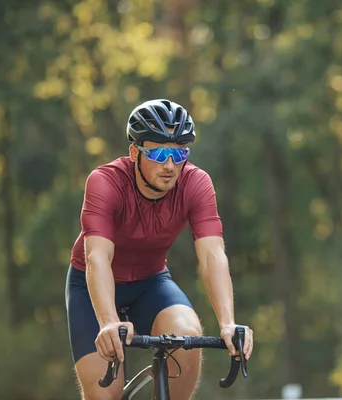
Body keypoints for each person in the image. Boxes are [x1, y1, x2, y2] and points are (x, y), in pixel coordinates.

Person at [65, 99, 254, 400]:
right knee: (105, 395)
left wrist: (228, 322)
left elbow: (212, 255)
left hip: (151, 282)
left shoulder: (196, 183)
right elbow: (97, 257)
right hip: (93, 286)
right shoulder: (105, 182)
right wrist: (109, 322)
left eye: (179, 154)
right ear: (134, 152)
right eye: (158, 153)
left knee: (187, 335)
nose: (169, 165)